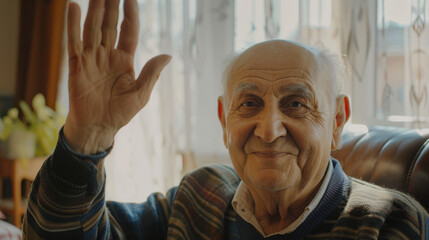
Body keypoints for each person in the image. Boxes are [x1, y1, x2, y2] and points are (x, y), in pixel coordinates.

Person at [23, 0, 429, 239]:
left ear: (338, 120)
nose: (269, 130)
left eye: (296, 104)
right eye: (249, 103)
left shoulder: (391, 224)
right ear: (223, 118)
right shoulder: (199, 195)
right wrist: (87, 138)